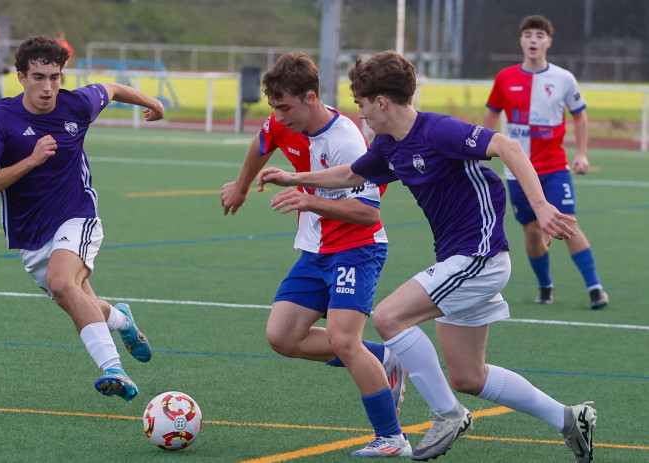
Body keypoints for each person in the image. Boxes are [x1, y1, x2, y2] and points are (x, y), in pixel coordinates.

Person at [258, 50, 597, 462]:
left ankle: (447, 415)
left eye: (362, 105)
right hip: (461, 260)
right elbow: (350, 175)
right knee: (469, 376)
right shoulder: (388, 145)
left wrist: (540, 206)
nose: (360, 115)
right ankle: (569, 418)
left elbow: (507, 145)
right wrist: (295, 177)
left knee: (387, 316)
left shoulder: (437, 131)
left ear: (381, 101)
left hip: (478, 255)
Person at [221, 51, 412, 457]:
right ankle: (383, 359)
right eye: (274, 107)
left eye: (286, 107)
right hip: (314, 250)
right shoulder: (281, 120)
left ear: (310, 98)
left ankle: (392, 438)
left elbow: (366, 213)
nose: (279, 116)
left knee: (344, 340)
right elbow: (261, 144)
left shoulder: (346, 140)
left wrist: (309, 201)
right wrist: (241, 185)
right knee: (282, 337)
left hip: (357, 250)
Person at [0, 36, 165, 402]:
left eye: (55, 77)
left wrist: (153, 102)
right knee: (75, 296)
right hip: (30, 236)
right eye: (39, 77)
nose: (48, 87)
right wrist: (31, 159)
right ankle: (122, 320)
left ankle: (114, 371)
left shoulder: (77, 104)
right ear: (21, 77)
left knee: (63, 283)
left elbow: (112, 88)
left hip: (77, 214)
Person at [482, 15, 608, 310]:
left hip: (553, 168)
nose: (533, 40)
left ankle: (595, 288)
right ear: (521, 41)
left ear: (549, 41)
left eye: (540, 35)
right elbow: (490, 114)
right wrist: (483, 150)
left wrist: (581, 153)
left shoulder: (564, 79)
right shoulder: (505, 78)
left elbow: (579, 114)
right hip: (517, 171)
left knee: (568, 223)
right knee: (531, 230)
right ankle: (545, 286)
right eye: (528, 35)